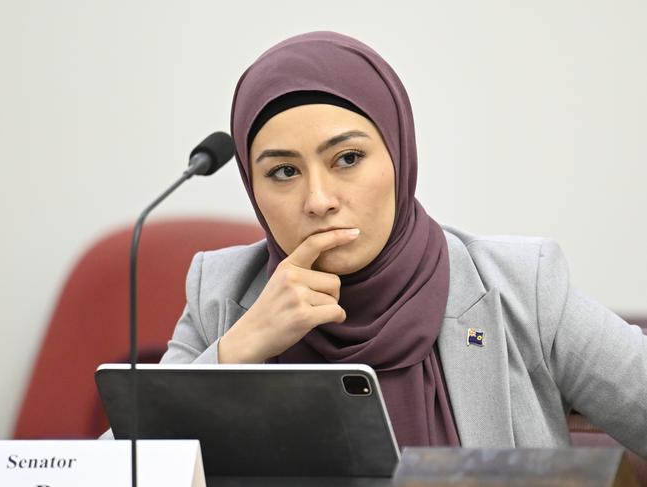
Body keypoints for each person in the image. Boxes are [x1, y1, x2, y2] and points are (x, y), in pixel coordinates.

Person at [160, 31, 647, 455]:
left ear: (399, 154)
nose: (318, 199)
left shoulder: (520, 287)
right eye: (283, 172)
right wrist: (235, 352)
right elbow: (112, 469)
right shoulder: (223, 297)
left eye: (347, 158)